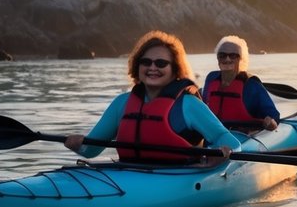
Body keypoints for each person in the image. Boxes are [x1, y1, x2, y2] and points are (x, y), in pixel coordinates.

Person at [64, 30, 241, 162]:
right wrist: (77, 144)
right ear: (137, 67)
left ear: (175, 70)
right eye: (146, 62)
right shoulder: (122, 103)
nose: (153, 68)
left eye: (161, 63)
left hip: (181, 178)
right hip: (129, 174)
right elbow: (90, 151)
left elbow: (230, 142)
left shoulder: (188, 105)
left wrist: (223, 154)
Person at [202, 35, 280, 131]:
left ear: (240, 59)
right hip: (213, 135)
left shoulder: (252, 85)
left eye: (233, 55)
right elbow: (202, 108)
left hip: (244, 136)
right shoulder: (211, 79)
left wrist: (271, 121)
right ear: (218, 59)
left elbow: (273, 115)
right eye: (222, 55)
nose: (227, 59)